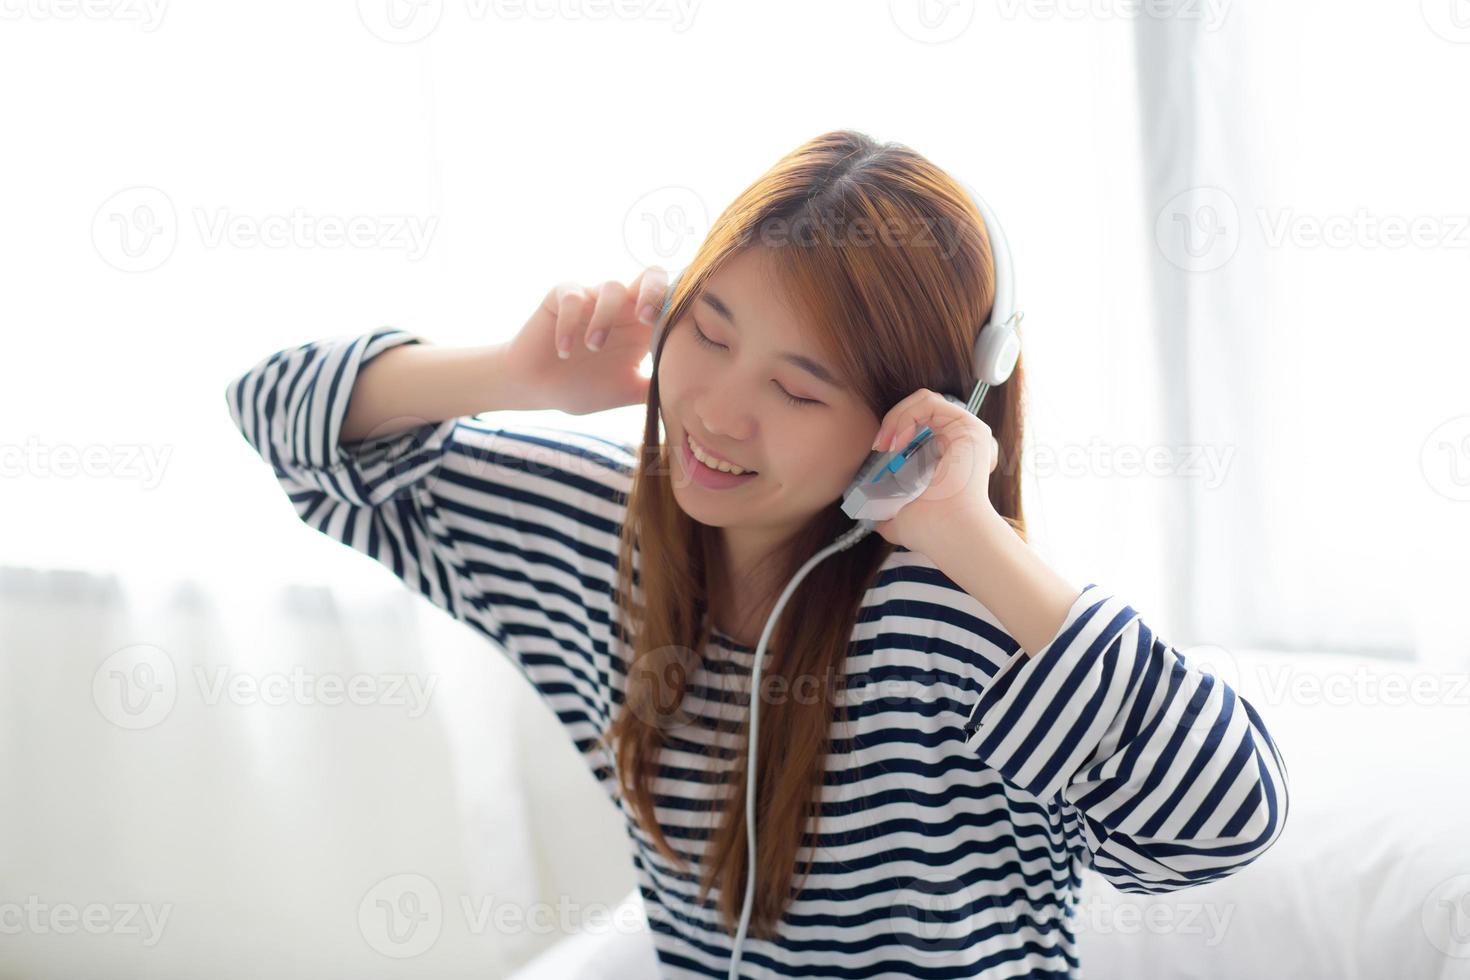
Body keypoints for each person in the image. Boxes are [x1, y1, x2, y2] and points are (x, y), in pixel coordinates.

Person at [224, 129, 1290, 978]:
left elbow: (1225, 818)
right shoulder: (594, 537)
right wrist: (511, 375)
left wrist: (970, 532)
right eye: (712, 334)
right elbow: (279, 415)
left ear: (915, 415)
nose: (721, 414)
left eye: (797, 386)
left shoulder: (945, 616)